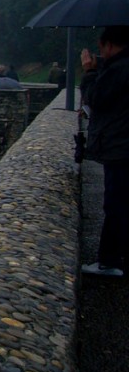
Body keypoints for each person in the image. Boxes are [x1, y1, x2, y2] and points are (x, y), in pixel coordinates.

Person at [79, 26, 129, 277]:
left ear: (108, 45)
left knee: (116, 205)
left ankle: (109, 262)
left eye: (101, 48)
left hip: (120, 147)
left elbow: (96, 99)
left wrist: (89, 72)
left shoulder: (119, 69)